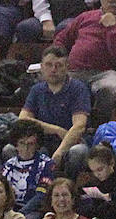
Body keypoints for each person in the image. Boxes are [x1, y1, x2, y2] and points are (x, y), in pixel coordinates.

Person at [54, 0, 116, 122]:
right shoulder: (86, 16)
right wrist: (59, 60)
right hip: (74, 70)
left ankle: (99, 126)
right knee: (47, 82)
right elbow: (61, 40)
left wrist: (111, 28)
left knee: (111, 88)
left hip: (107, 73)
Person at [17, 44, 91, 180]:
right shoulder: (36, 90)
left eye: (58, 65)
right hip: (42, 142)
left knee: (78, 152)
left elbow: (79, 126)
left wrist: (59, 153)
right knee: (11, 149)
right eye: (49, 65)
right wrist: (56, 130)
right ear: (42, 67)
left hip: (70, 143)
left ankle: (68, 189)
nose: (53, 69)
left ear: (67, 67)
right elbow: (23, 120)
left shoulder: (78, 89)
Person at [1, 121, 55, 219]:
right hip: (11, 208)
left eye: (30, 144)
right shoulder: (9, 164)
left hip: (33, 209)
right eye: (22, 143)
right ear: (16, 145)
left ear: (37, 145)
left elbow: (41, 195)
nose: (26, 148)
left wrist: (20, 214)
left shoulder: (46, 164)